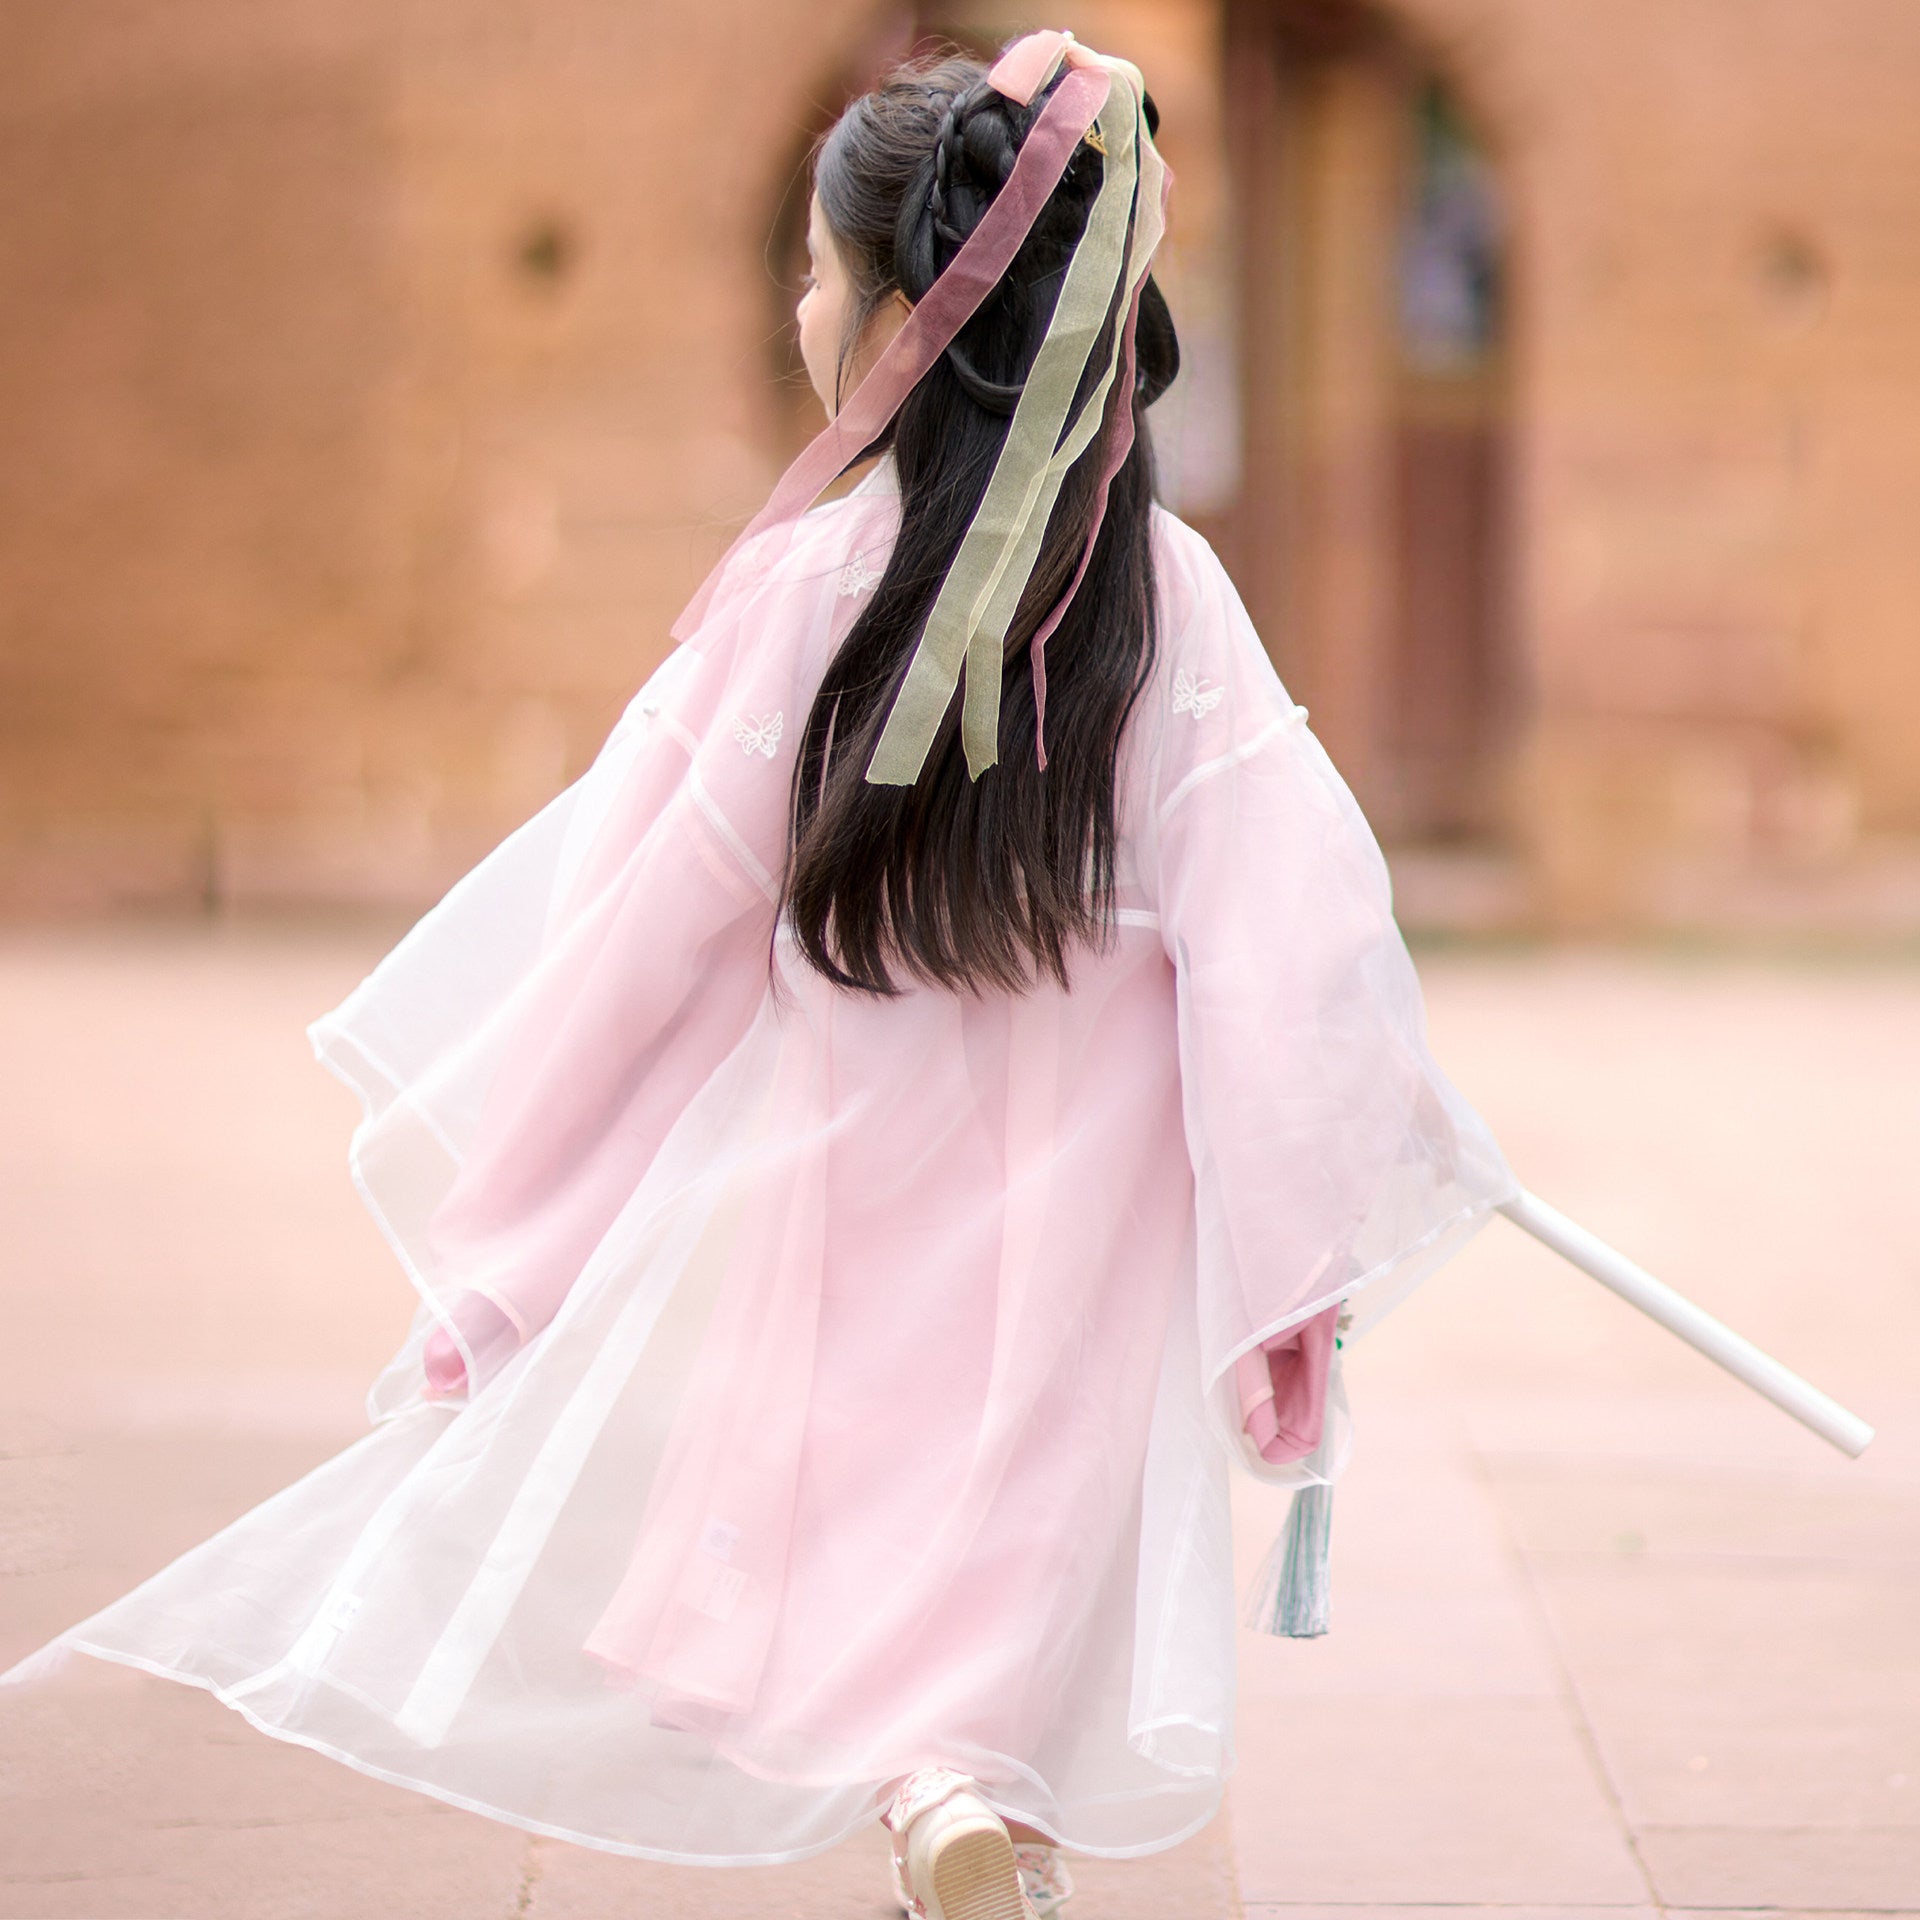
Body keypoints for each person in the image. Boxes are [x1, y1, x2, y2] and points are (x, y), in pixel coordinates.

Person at [1, 30, 1515, 1920]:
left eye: (815, 272)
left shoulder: (811, 587)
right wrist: (1302, 1241)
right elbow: (1292, 936)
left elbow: (641, 932)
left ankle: (928, 1794)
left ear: (904, 316)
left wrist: (521, 1233)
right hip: (1088, 1192)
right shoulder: (1166, 598)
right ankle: (976, 1793)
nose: (802, 309)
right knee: (1031, 1502)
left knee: (840, 1475)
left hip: (852, 1169)